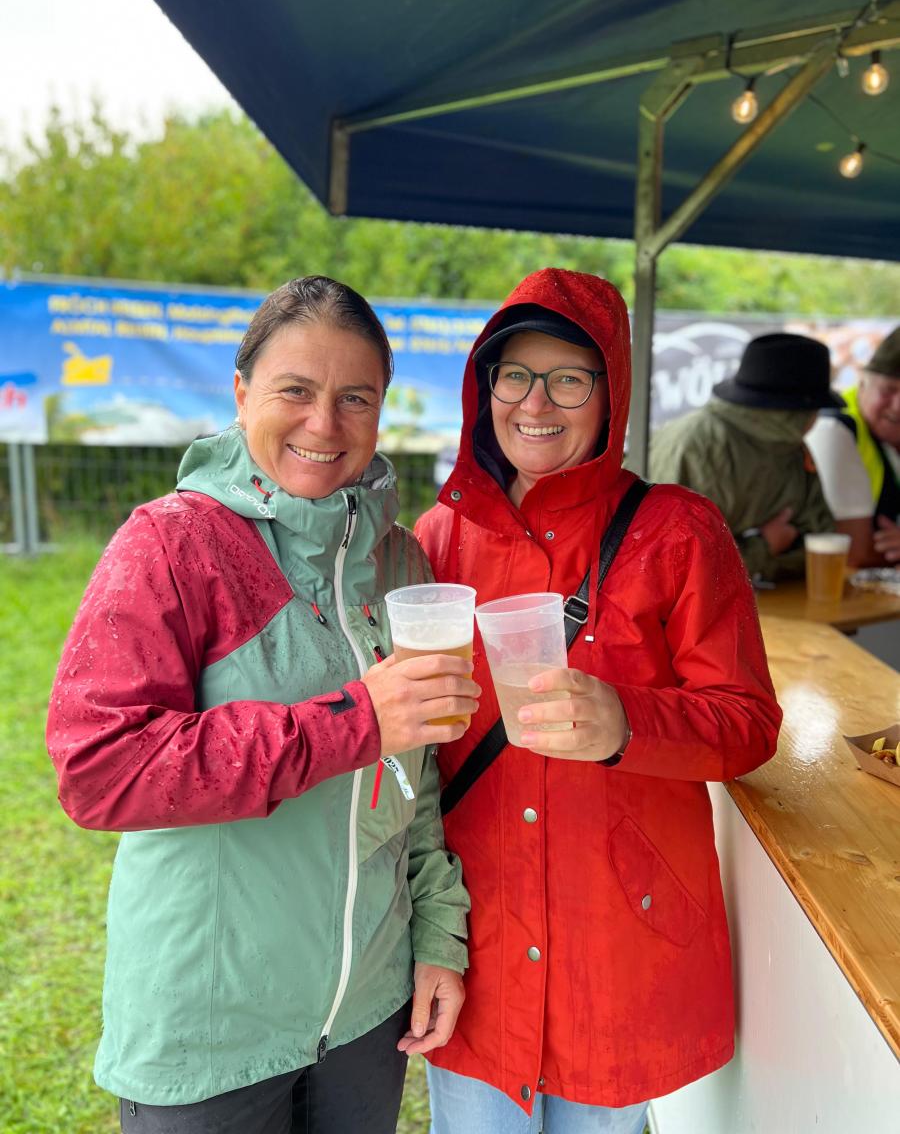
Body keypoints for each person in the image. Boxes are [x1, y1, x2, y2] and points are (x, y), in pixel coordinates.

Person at [46, 276, 479, 1134]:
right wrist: (352, 723)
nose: (325, 424)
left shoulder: (400, 564)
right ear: (241, 393)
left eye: (355, 398)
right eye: (295, 391)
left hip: (366, 1014)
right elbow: (100, 770)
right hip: (212, 1029)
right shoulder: (172, 544)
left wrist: (438, 937)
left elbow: (417, 775)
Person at [414, 268, 781, 1133]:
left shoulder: (677, 530)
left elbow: (749, 723)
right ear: (484, 387)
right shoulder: (437, 538)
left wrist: (628, 722)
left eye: (569, 379)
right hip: (478, 945)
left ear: (610, 392)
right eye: (515, 375)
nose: (536, 402)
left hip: (616, 946)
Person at [649, 332, 842, 583]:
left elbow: (817, 539)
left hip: (761, 602)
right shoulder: (698, 445)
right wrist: (764, 546)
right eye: (815, 410)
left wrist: (760, 555)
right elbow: (669, 567)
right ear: (800, 413)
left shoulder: (789, 447)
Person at [805, 326, 900, 566]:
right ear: (863, 382)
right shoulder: (833, 428)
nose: (898, 406)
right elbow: (853, 552)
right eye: (889, 390)